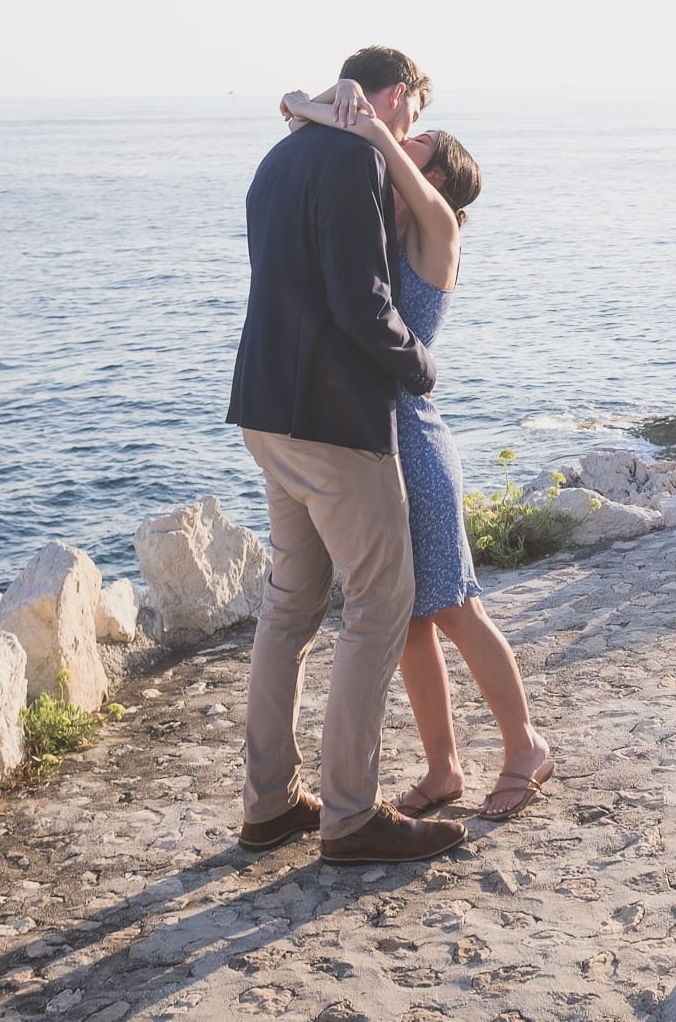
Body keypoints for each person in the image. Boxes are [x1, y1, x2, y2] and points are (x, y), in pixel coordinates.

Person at [281, 79, 558, 821]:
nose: (403, 142)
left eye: (419, 147)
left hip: (419, 442)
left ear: (437, 176)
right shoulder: (387, 221)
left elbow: (370, 136)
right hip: (376, 438)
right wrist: (311, 105)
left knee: (459, 605)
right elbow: (336, 128)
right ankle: (442, 770)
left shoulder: (439, 227)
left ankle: (526, 747)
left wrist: (346, 113)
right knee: (406, 620)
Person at [225, 45, 466, 865]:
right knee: (379, 604)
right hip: (333, 421)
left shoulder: (279, 155)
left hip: (265, 409)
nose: (409, 129)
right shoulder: (356, 158)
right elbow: (362, 304)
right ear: (395, 96)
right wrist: (421, 366)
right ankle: (352, 815)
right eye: (414, 113)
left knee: (290, 605)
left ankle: (266, 804)